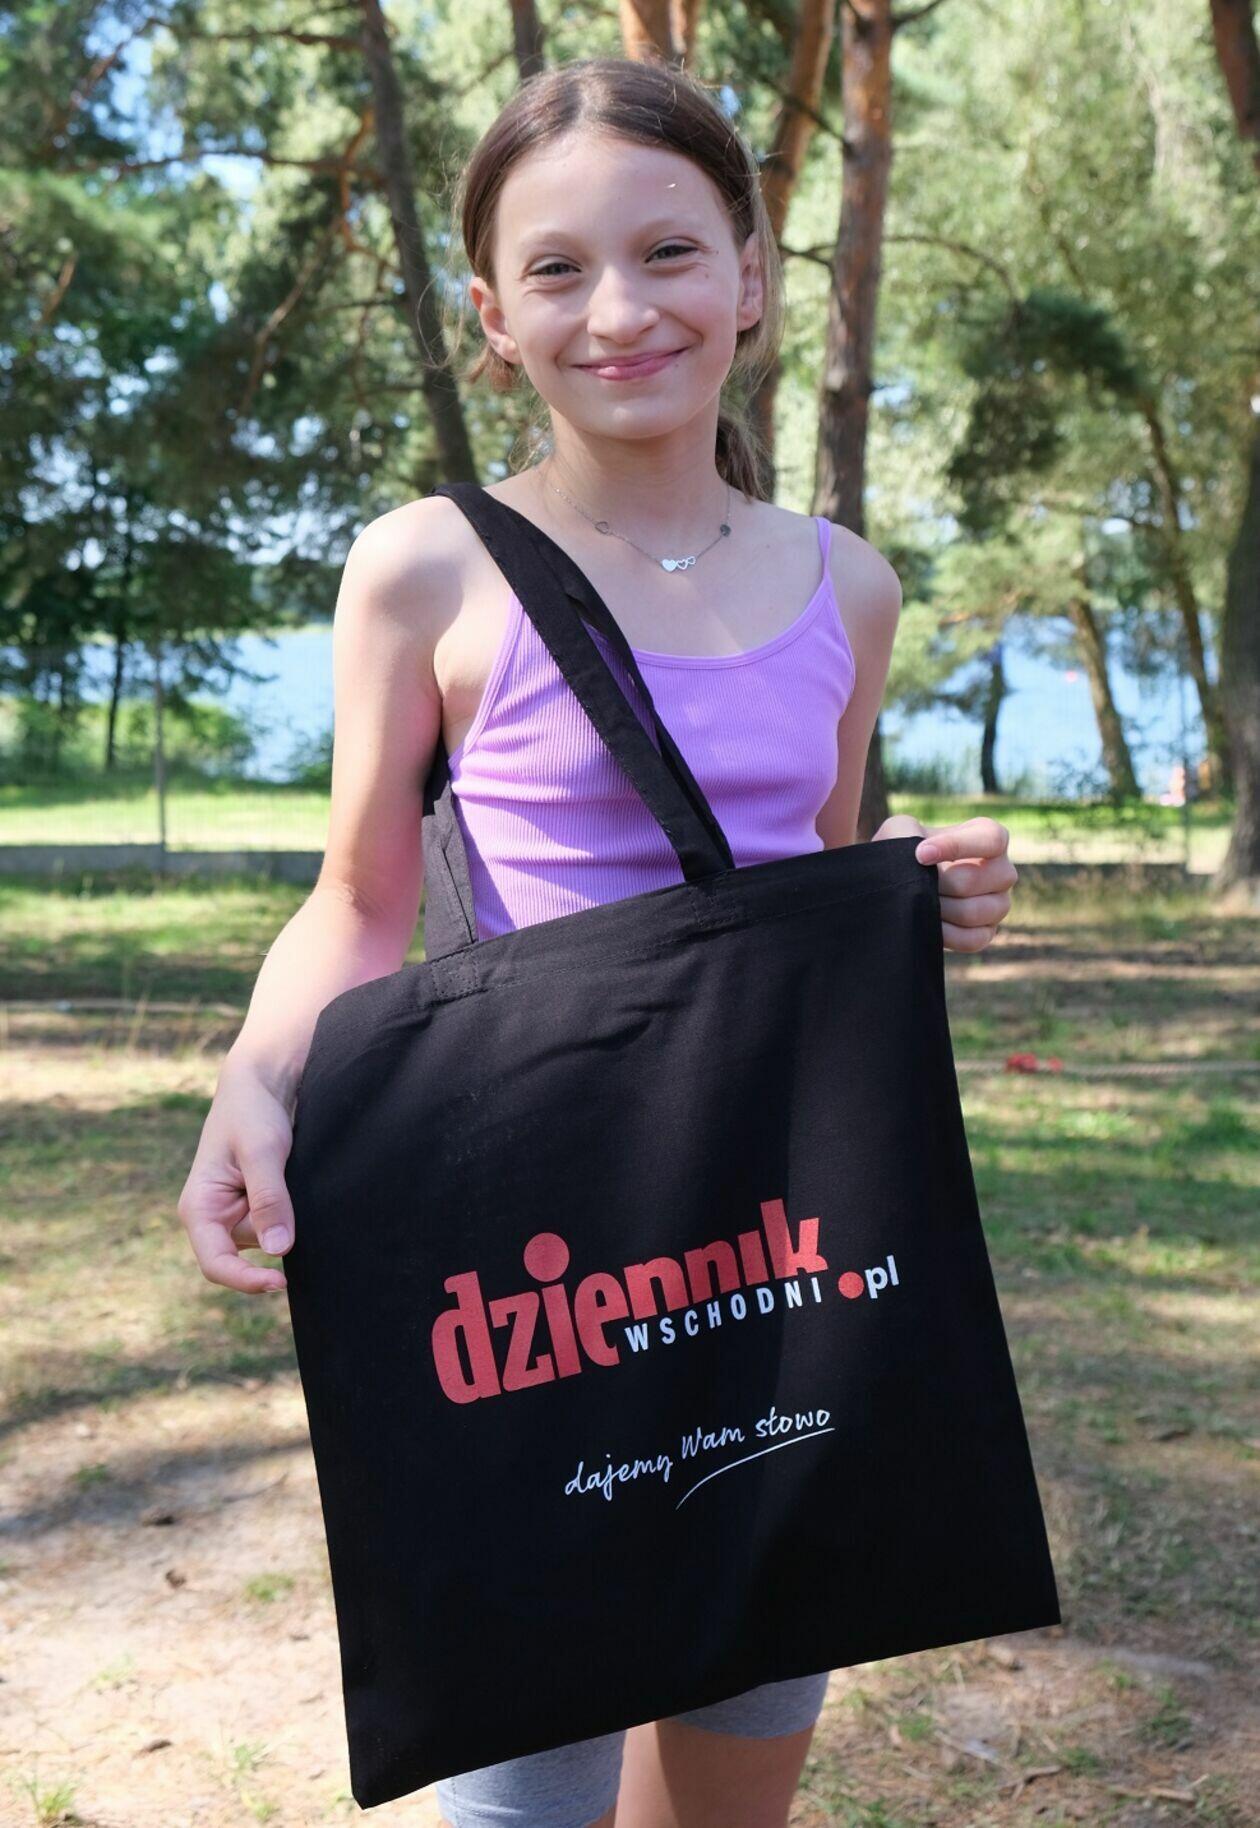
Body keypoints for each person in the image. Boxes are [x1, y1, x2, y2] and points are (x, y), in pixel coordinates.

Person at [178, 52, 1019, 1828]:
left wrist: (918, 883)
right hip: (533, 1279)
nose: (620, 310)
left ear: (752, 276)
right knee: (527, 1778)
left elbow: (804, 887)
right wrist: (255, 1080)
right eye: (557, 270)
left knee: (736, 1761)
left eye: (669, 251)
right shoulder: (428, 570)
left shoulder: (848, 585)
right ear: (494, 319)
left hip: (773, 1267)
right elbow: (361, 898)